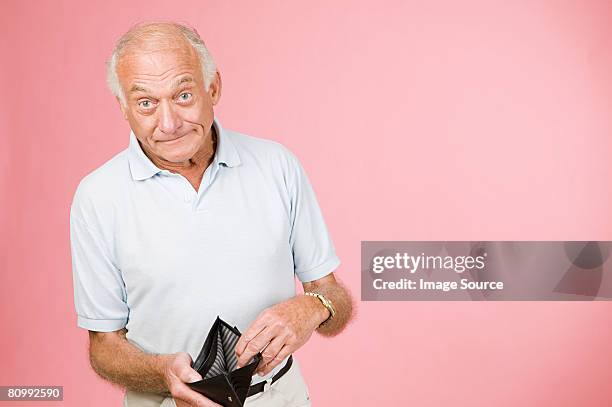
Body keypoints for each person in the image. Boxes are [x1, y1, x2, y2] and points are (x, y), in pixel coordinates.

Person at [69, 21, 353, 407]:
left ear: (213, 87)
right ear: (123, 107)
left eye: (183, 95)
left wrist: (314, 306)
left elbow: (334, 296)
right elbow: (102, 346)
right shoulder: (96, 196)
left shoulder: (277, 166)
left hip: (279, 398)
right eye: (146, 103)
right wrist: (162, 372)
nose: (168, 124)